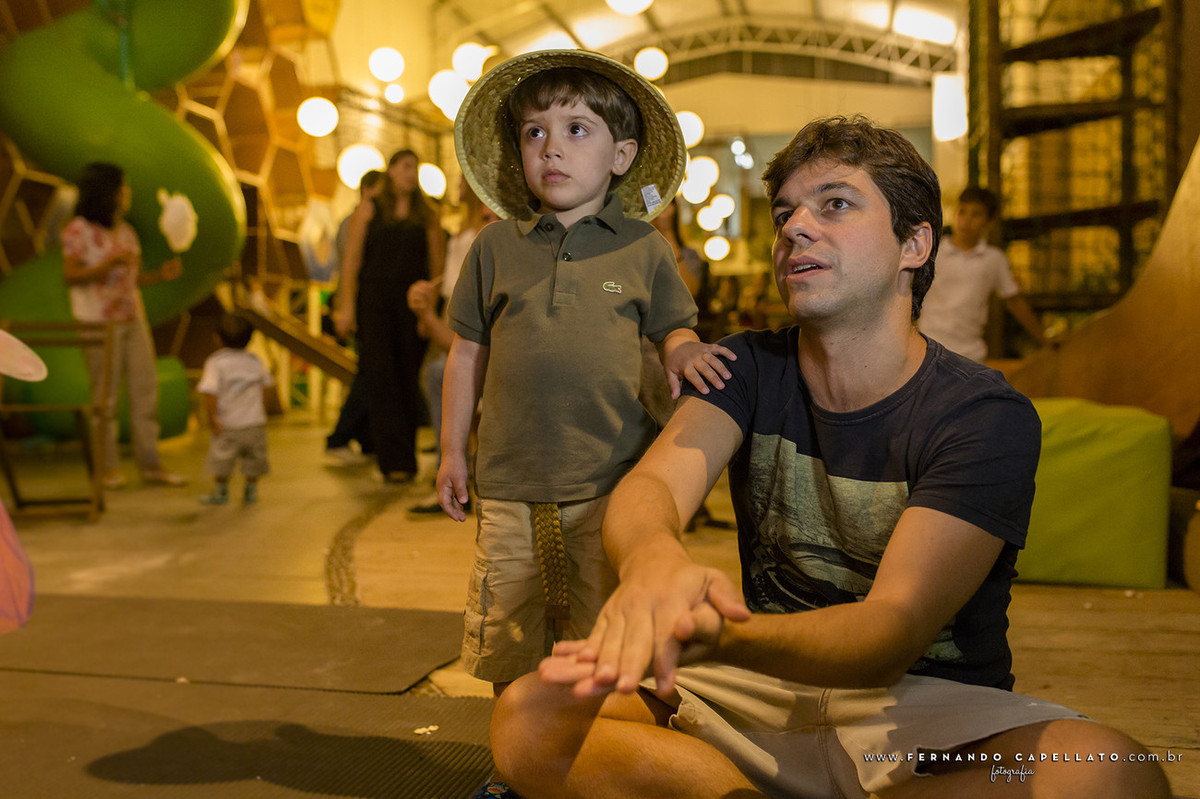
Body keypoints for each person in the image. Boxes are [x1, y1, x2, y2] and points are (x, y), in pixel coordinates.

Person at [488, 116, 1172, 799]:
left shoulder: (983, 414)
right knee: (530, 713)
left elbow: (889, 633)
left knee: (1109, 773)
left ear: (914, 243)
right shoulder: (747, 367)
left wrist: (713, 634)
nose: (793, 228)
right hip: (759, 699)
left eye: (835, 204)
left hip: (924, 714)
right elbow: (652, 489)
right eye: (785, 212)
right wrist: (654, 565)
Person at [443, 48, 736, 799]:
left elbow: (673, 327)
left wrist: (686, 348)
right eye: (535, 132)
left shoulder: (643, 248)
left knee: (602, 636)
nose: (553, 147)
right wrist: (452, 452)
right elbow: (465, 353)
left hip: (610, 481)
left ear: (622, 155)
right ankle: (514, 761)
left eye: (576, 129)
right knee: (510, 630)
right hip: (508, 484)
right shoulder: (495, 247)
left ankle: (588, 757)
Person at [61, 161, 186, 490]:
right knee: (105, 397)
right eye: (123, 188)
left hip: (133, 319)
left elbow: (130, 280)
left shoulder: (127, 231)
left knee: (146, 389)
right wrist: (105, 266)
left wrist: (160, 275)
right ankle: (107, 468)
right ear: (108, 193)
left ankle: (150, 464)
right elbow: (71, 275)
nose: (127, 194)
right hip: (97, 322)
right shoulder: (79, 230)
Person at [334, 151, 444, 483]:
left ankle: (406, 457)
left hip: (411, 303)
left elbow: (436, 268)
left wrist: (429, 313)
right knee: (380, 376)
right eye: (405, 167)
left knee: (407, 377)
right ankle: (391, 461)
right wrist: (346, 307)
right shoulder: (370, 209)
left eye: (415, 168)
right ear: (392, 170)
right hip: (374, 302)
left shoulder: (428, 215)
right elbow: (351, 262)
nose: (411, 174)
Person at [406, 180, 499, 515]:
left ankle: (462, 475)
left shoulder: (490, 228)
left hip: (482, 337)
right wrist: (426, 301)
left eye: (465, 178)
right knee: (436, 372)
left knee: (438, 373)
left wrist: (429, 317)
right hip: (458, 327)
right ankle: (457, 472)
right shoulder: (463, 231)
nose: (460, 183)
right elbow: (449, 289)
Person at [918, 186, 1049, 362]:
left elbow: (1014, 301)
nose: (966, 220)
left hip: (971, 355)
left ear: (989, 223)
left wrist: (1045, 339)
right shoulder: (931, 252)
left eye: (976, 214)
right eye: (962, 211)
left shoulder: (994, 259)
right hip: (928, 350)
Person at [322, 169, 384, 467]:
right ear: (369, 189)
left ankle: (366, 438)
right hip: (361, 309)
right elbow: (350, 270)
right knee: (368, 373)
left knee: (369, 372)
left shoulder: (356, 221)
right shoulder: (355, 223)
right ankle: (338, 437)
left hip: (362, 307)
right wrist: (346, 310)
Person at [195, 314, 274, 506]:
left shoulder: (215, 363)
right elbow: (267, 386)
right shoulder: (255, 361)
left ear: (217, 338)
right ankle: (251, 490)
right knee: (254, 460)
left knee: (222, 460)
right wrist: (260, 410)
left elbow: (210, 392)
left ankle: (222, 492)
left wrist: (212, 417)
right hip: (254, 423)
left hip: (227, 424)